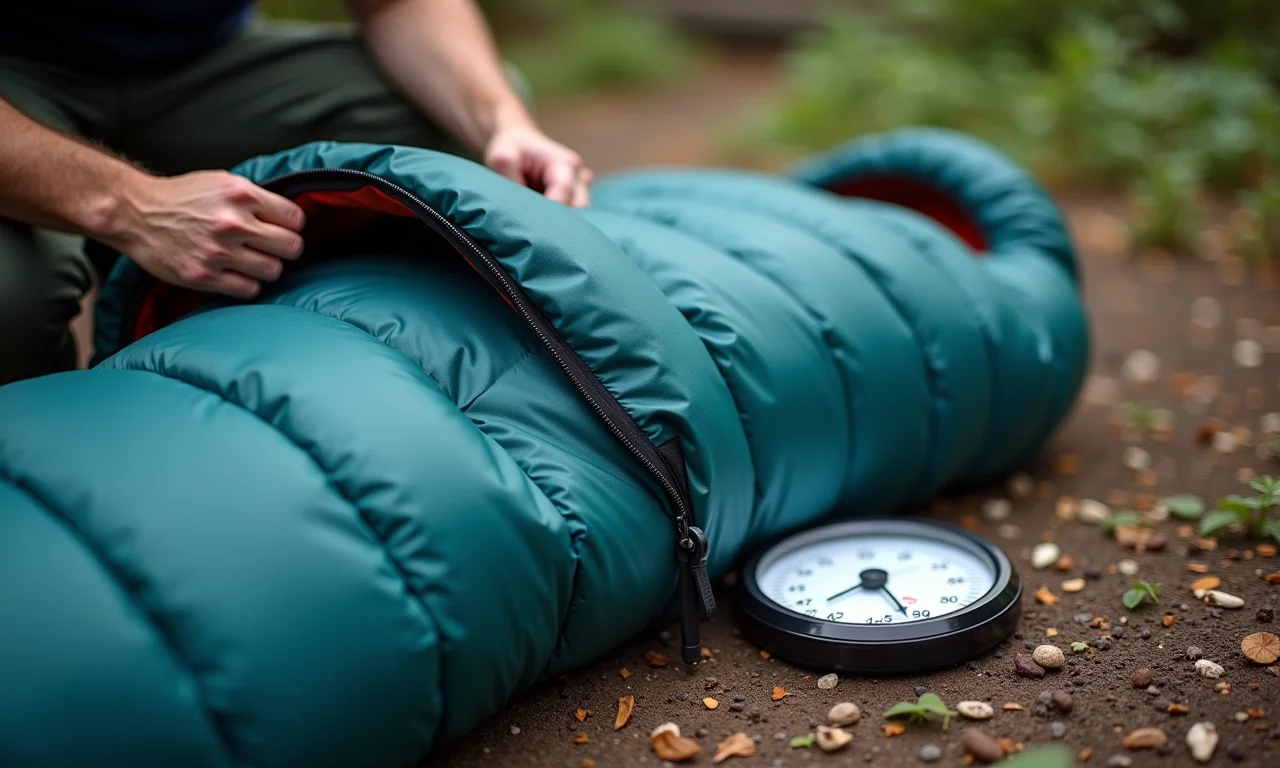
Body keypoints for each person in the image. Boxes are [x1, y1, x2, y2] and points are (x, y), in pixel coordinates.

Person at [0, 0, 593, 385]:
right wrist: (129, 205)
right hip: (16, 82)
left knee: (447, 149)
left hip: (200, 59)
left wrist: (502, 125)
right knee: (12, 301)